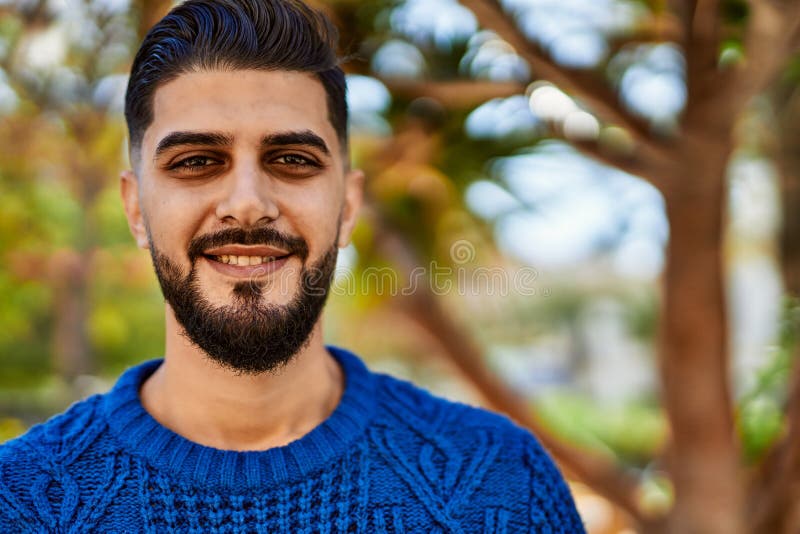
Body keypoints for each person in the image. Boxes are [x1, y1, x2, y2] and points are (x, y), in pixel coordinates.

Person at [0, 0, 585, 531]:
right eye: (198, 160)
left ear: (348, 206)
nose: (249, 201)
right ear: (135, 209)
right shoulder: (18, 501)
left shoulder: (504, 487)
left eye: (293, 159)